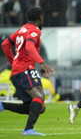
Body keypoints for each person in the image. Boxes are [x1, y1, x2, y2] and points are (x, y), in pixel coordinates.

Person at [1, 7, 55, 136]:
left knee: (39, 107)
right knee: (39, 97)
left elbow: (5, 44)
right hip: (26, 70)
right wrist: (42, 62)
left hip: (17, 72)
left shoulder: (22, 30)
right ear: (40, 18)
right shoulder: (34, 30)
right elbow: (29, 46)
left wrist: (13, 62)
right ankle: (28, 129)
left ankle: (3, 106)